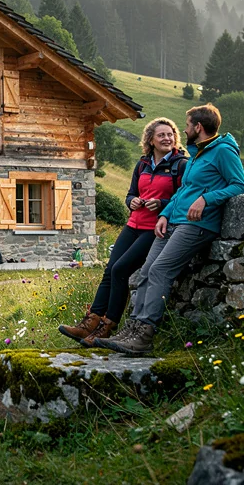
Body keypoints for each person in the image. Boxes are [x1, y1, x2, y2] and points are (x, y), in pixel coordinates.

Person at [97, 104, 244, 355]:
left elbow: (239, 185)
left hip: (198, 224)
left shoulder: (223, 151)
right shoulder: (197, 154)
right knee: (146, 270)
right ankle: (132, 328)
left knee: (159, 270)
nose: (185, 129)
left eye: (188, 125)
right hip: (174, 220)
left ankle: (144, 335)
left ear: (198, 127)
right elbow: (182, 191)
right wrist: (165, 214)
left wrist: (207, 199)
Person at [58, 118, 187, 347]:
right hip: (133, 224)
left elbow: (183, 197)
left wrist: (162, 203)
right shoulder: (142, 164)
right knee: (110, 270)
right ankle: (89, 323)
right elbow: (129, 194)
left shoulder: (180, 165)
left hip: (155, 228)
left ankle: (107, 327)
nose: (167, 138)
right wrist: (133, 201)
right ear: (151, 140)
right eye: (162, 135)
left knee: (121, 269)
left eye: (170, 134)